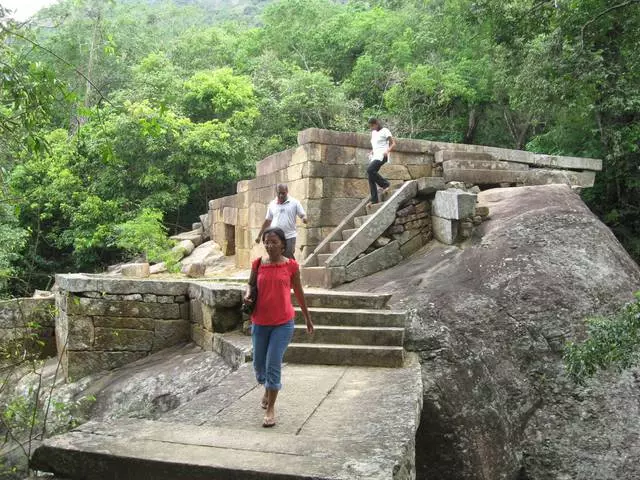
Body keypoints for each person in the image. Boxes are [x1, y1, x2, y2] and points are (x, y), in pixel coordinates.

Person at [244, 227, 313, 428]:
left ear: (283, 244)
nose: (270, 245)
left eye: (274, 242)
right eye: (267, 242)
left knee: (273, 363)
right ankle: (267, 388)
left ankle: (271, 408)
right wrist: (247, 294)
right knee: (258, 364)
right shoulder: (257, 264)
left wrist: (308, 318)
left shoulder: (291, 266)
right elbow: (250, 284)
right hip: (260, 322)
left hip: (283, 323)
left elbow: (299, 292)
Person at [255, 184, 308, 259]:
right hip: (276, 236)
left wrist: (304, 218)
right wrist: (259, 236)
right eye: (279, 193)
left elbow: (302, 215)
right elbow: (267, 221)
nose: (281, 195)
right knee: (277, 256)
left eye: (283, 193)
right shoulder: (272, 204)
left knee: (288, 254)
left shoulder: (295, 202)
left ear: (287, 191)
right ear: (276, 192)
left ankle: (293, 269)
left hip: (289, 235)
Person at [367, 118, 397, 205]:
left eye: (372, 126)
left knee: (369, 170)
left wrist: (387, 151)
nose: (371, 128)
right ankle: (374, 199)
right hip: (375, 156)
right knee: (370, 176)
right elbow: (375, 145)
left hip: (382, 155)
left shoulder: (385, 131)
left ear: (376, 123)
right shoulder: (373, 133)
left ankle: (385, 184)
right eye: (370, 126)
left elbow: (393, 143)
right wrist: (371, 152)